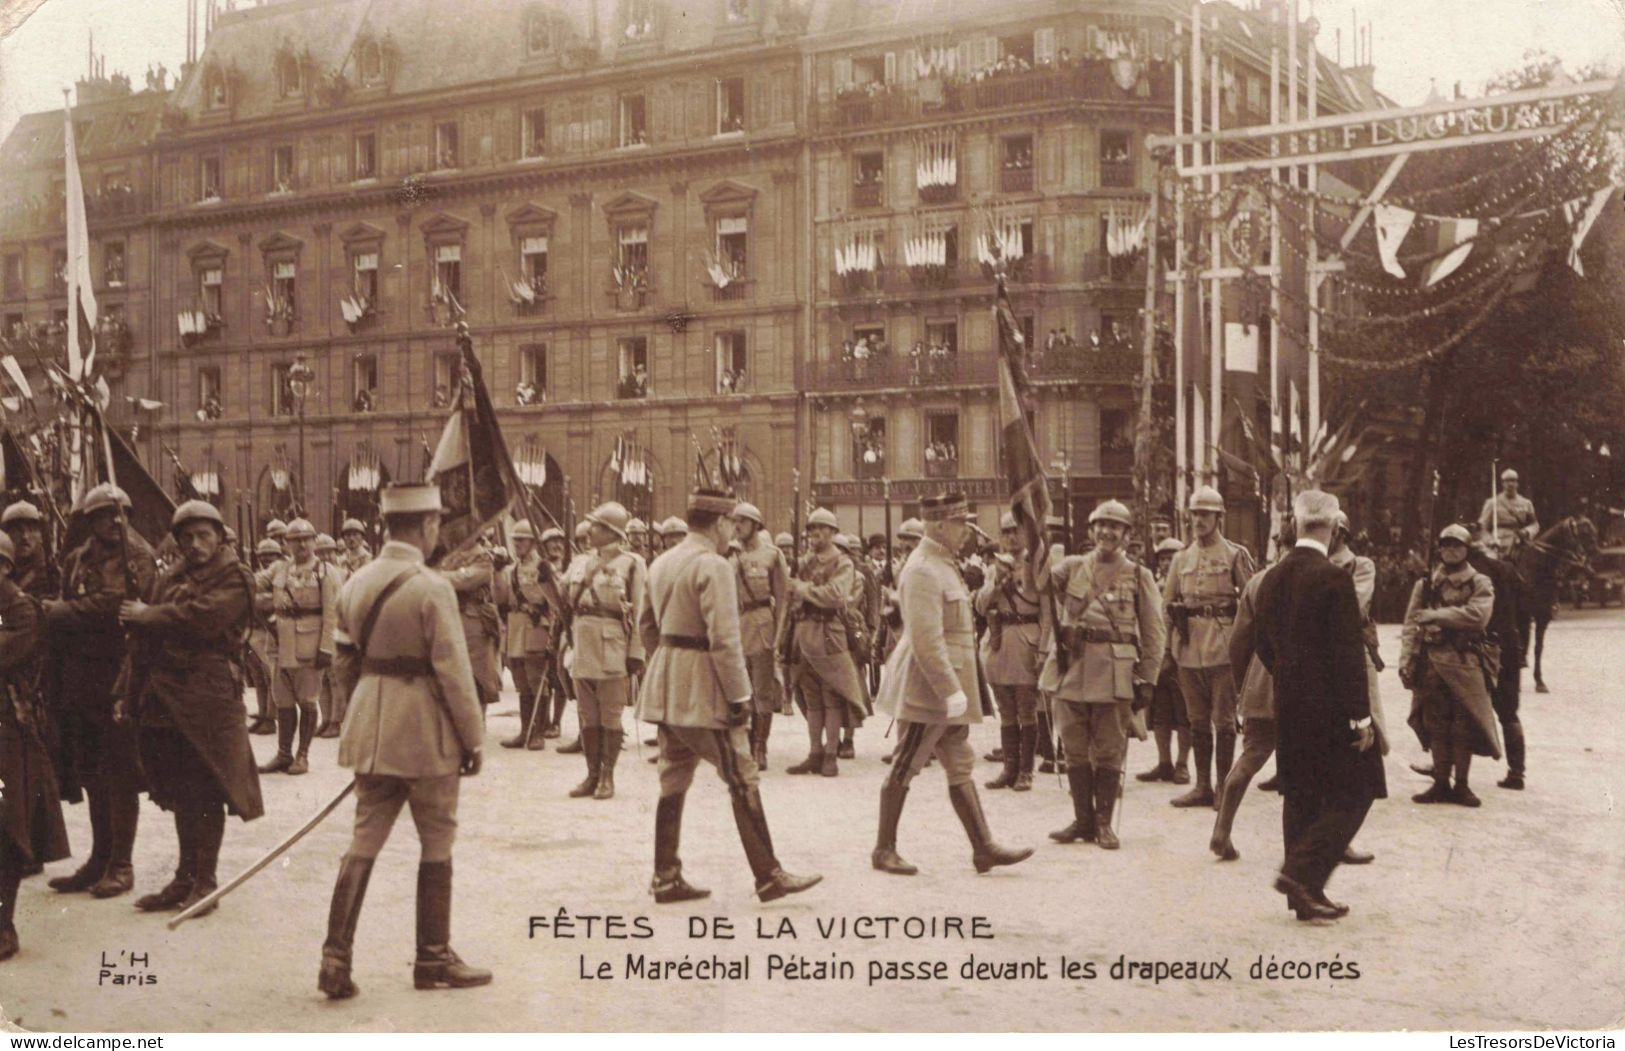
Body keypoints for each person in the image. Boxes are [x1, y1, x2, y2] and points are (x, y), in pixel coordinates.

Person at [318, 483, 489, 1000]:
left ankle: (335, 958)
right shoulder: (432, 587)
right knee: (437, 839)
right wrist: (473, 738)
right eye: (436, 524)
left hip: (372, 724)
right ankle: (432, 958)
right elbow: (455, 674)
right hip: (425, 730)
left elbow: (342, 661)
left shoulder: (355, 582)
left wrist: (360, 715)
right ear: (426, 526)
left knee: (364, 838)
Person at [635, 488, 822, 904]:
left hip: (666, 682)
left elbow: (646, 628)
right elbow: (724, 639)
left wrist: (669, 662)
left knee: (674, 775)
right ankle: (769, 875)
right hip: (704, 688)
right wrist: (740, 697)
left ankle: (666, 876)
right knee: (741, 773)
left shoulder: (661, 562)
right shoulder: (713, 566)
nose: (731, 534)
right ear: (719, 522)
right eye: (729, 524)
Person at [872, 492, 1032, 876]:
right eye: (961, 523)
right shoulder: (924, 568)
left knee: (959, 762)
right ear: (940, 525)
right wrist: (949, 690)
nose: (968, 531)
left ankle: (983, 847)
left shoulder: (943, 564)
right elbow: (927, 640)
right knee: (907, 761)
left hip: (949, 687)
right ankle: (883, 849)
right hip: (929, 689)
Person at [118, 501, 263, 917]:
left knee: (207, 786)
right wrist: (127, 692)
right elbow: (142, 640)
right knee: (181, 789)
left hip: (209, 696)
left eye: (203, 535)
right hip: (165, 695)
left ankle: (206, 881)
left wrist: (148, 614)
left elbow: (204, 618)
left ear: (220, 537)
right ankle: (184, 876)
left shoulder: (235, 577)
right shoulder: (169, 579)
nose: (195, 544)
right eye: (186, 538)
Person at [1251, 490, 1383, 921]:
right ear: (1334, 525)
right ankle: (1301, 875)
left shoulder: (1270, 577)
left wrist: (1290, 678)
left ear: (1294, 523)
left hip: (1288, 702)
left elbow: (1262, 644)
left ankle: (1302, 899)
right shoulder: (1333, 578)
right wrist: (1361, 718)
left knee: (1300, 794)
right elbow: (1347, 657)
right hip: (1330, 709)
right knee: (1359, 789)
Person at [44, 483, 155, 899]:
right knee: (92, 772)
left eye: (121, 512)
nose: (115, 521)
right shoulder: (76, 559)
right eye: (106, 514)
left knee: (120, 772)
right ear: (90, 520)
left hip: (119, 673)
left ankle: (121, 864)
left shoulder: (136, 555)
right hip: (80, 676)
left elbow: (116, 605)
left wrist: (61, 613)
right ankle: (99, 857)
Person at [1041, 500, 1165, 850]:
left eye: (1115, 527)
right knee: (1075, 747)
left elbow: (1154, 632)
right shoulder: (1072, 567)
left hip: (1115, 673)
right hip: (1072, 668)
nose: (1107, 532)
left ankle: (1104, 823)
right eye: (1101, 526)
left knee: (1110, 750)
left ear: (1126, 534)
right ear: (1091, 530)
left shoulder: (1139, 576)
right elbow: (1038, 584)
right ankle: (1082, 820)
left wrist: (1148, 679)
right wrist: (1034, 543)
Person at [1162, 486, 1256, 809]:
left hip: (1223, 647)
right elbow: (1167, 606)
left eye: (1205, 514)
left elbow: (1251, 601)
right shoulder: (1180, 558)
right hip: (1188, 649)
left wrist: (1246, 650)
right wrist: (1166, 650)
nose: (1198, 519)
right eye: (1195, 513)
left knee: (1224, 720)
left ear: (1219, 518)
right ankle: (1202, 785)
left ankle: (1223, 788)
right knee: (1196, 719)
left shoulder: (1234, 555)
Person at [0, 531, 70, 960]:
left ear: (4, 567)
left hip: (7, 734)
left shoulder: (21, 610)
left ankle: (3, 925)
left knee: (6, 831)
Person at [1400, 524, 1502, 807]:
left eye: (1456, 544)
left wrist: (1437, 615)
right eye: (1445, 545)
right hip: (1431, 662)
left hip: (1464, 661)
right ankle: (1441, 783)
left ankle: (1462, 785)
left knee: (1463, 725)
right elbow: (1411, 623)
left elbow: (1477, 616)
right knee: (1435, 725)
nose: (1450, 550)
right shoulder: (1426, 584)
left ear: (1467, 549)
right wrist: (1406, 659)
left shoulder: (1480, 582)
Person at [565, 502, 646, 800]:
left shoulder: (632, 564)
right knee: (587, 716)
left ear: (611, 532)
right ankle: (591, 775)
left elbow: (641, 611)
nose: (590, 531)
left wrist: (637, 651)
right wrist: (548, 579)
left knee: (610, 716)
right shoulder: (578, 563)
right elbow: (563, 602)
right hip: (582, 645)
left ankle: (607, 777)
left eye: (596, 526)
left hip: (613, 647)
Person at [778, 508, 866, 777]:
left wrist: (803, 590)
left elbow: (836, 596)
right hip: (804, 634)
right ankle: (814, 752)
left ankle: (830, 755)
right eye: (811, 529)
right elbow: (790, 598)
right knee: (811, 698)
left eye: (820, 528)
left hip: (829, 634)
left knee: (831, 697)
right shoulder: (803, 563)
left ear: (832, 532)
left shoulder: (843, 563)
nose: (814, 533)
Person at [257, 518, 338, 776]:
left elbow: (332, 613)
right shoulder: (280, 569)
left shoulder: (325, 572)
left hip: (309, 645)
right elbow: (252, 584)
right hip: (280, 644)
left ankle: (302, 756)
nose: (302, 544)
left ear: (314, 541)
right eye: (295, 540)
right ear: (287, 544)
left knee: (307, 700)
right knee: (283, 700)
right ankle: (283, 754)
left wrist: (326, 647)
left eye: (306, 539)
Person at [976, 513, 1043, 792]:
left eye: (1016, 531)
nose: (1012, 537)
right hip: (999, 640)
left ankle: (1026, 771)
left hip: (1027, 638)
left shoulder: (1036, 565)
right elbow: (980, 606)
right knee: (1006, 710)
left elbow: (1045, 605)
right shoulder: (995, 567)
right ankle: (1009, 768)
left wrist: (1045, 648)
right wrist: (995, 584)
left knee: (1026, 708)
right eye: (1006, 533)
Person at [1465, 525, 1527, 790]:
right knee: (1509, 713)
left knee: (1460, 709)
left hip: (1474, 647)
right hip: (1508, 648)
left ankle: (1451, 772)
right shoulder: (1508, 570)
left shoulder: (1466, 573)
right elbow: (1525, 613)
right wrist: (1521, 646)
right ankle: (1517, 772)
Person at [729, 502, 790, 770]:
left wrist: (779, 636)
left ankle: (759, 747)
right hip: (735, 626)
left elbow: (784, 598)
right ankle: (741, 744)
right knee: (738, 691)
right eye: (735, 521)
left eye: (742, 521)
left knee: (761, 691)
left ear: (756, 524)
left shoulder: (772, 555)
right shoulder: (728, 555)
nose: (737, 526)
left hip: (762, 624)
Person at [1137, 536, 1192, 785]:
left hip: (1181, 655)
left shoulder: (1187, 586)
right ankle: (1164, 763)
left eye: (1171, 558)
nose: (1167, 562)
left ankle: (1182, 764)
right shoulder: (1153, 584)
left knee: (1184, 715)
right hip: (1157, 658)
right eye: (1163, 558)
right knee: (1159, 714)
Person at [502, 521, 557, 750]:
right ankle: (525, 731)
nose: (517, 544)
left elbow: (549, 600)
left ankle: (538, 732)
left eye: (521, 540)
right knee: (522, 683)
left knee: (536, 681)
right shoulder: (513, 568)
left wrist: (544, 578)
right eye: (515, 540)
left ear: (533, 543)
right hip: (516, 627)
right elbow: (503, 599)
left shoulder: (543, 567)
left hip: (536, 627)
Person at [438, 535, 502, 715]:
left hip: (475, 623)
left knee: (477, 678)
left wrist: (436, 575)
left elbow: (464, 580)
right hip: (449, 618)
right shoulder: (448, 554)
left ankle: (478, 725)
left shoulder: (482, 557)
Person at [2, 501, 59, 600]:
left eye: (32, 529)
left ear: (41, 535)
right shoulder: (2, 567)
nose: (25, 536)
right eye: (18, 530)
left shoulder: (50, 570)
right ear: (7, 534)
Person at [1478, 468, 1539, 557]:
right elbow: (1482, 527)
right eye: (1507, 481)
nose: (1510, 484)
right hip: (1499, 545)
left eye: (1513, 481)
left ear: (1517, 483)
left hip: (1520, 543)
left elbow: (1535, 524)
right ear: (1503, 483)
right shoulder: (1492, 503)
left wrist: (1526, 531)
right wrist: (1490, 541)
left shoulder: (1526, 503)